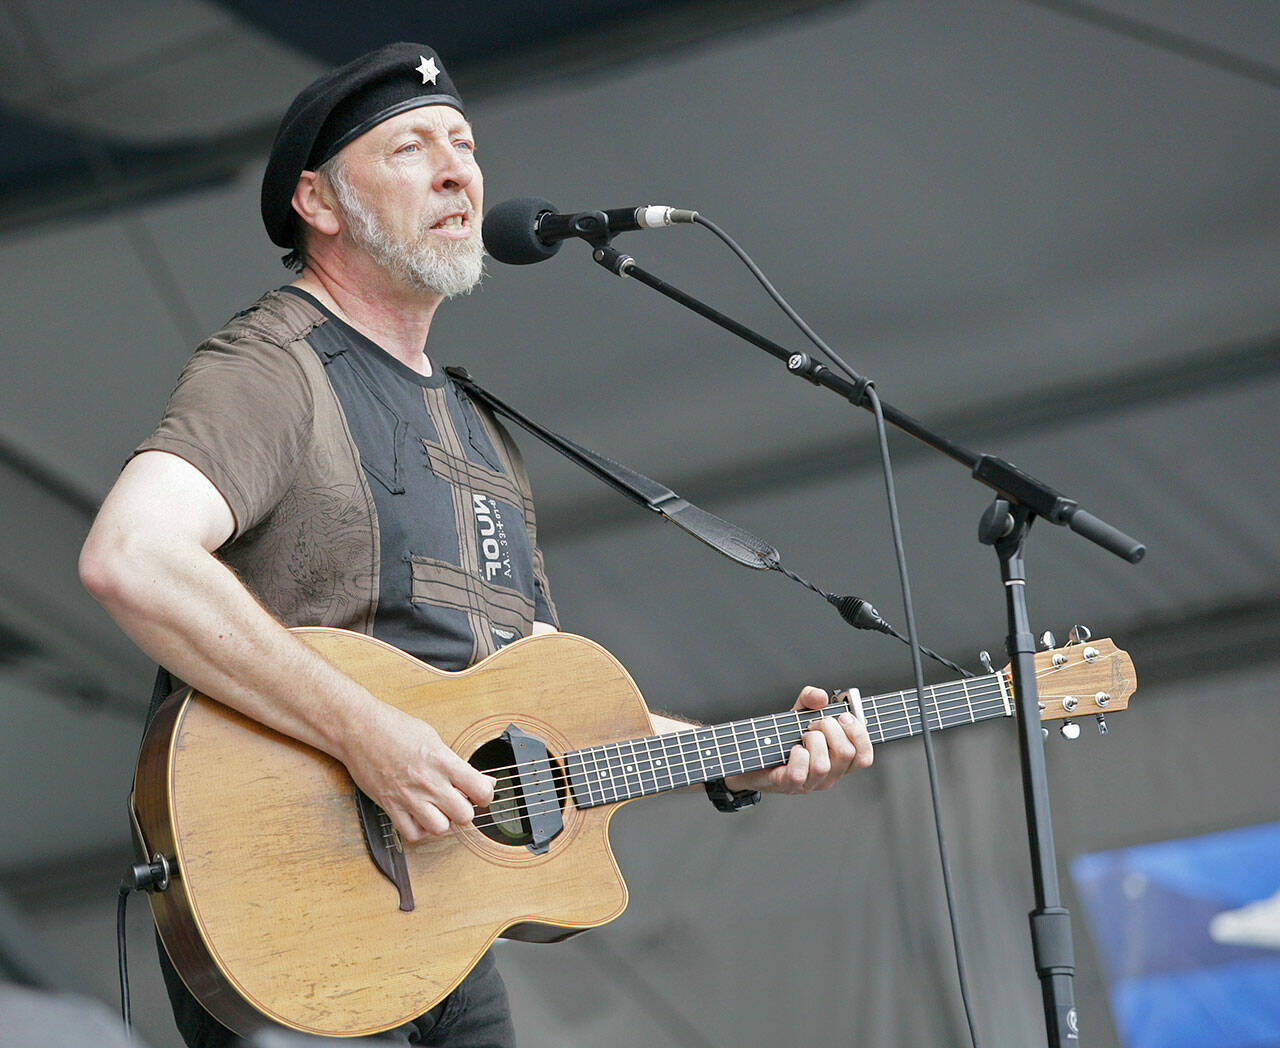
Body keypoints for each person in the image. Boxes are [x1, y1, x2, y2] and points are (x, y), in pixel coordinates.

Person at [79, 42, 873, 1048]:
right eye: (410, 147)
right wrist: (368, 733)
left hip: (439, 920)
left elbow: (535, 712)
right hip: (292, 908)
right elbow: (132, 556)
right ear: (319, 203)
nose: (457, 169)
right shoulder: (272, 370)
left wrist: (745, 759)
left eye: (462, 142)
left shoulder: (477, 429)